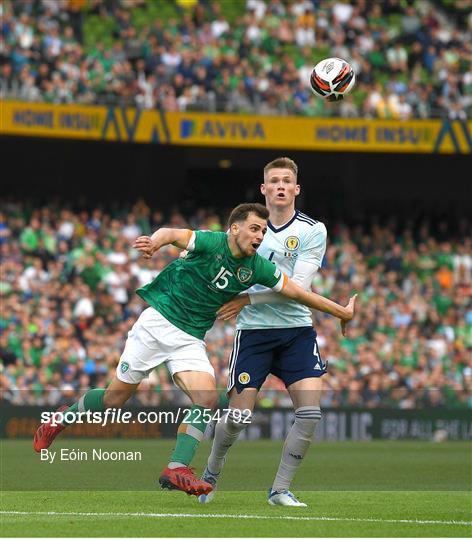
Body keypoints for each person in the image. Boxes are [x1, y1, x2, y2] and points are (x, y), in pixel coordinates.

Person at [33, 202, 356, 498]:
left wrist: (341, 312)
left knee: (207, 398)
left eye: (263, 230)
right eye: (255, 228)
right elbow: (173, 234)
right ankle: (59, 419)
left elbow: (299, 293)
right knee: (114, 398)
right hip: (158, 322)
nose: (260, 235)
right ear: (235, 228)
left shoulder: (258, 267)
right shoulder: (212, 242)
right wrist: (156, 241)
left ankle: (177, 468)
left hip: (190, 337)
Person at [200, 157, 336, 507]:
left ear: (296, 189)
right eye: (273, 180)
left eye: (286, 180)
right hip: (255, 334)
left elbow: (298, 285)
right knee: (239, 418)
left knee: (310, 415)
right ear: (263, 189)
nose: (280, 186)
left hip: (296, 331)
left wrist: (247, 298)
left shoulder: (311, 230)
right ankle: (211, 476)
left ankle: (279, 490)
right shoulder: (245, 228)